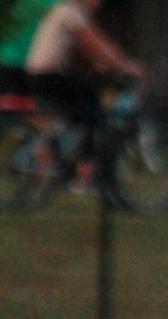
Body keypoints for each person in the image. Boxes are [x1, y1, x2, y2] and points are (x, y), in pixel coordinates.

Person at [23, 0, 143, 185]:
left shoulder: (69, 11)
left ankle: (62, 159)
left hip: (43, 74)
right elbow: (93, 41)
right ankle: (83, 171)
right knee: (94, 110)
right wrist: (124, 65)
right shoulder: (70, 10)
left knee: (80, 111)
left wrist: (104, 64)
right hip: (47, 75)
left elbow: (86, 48)